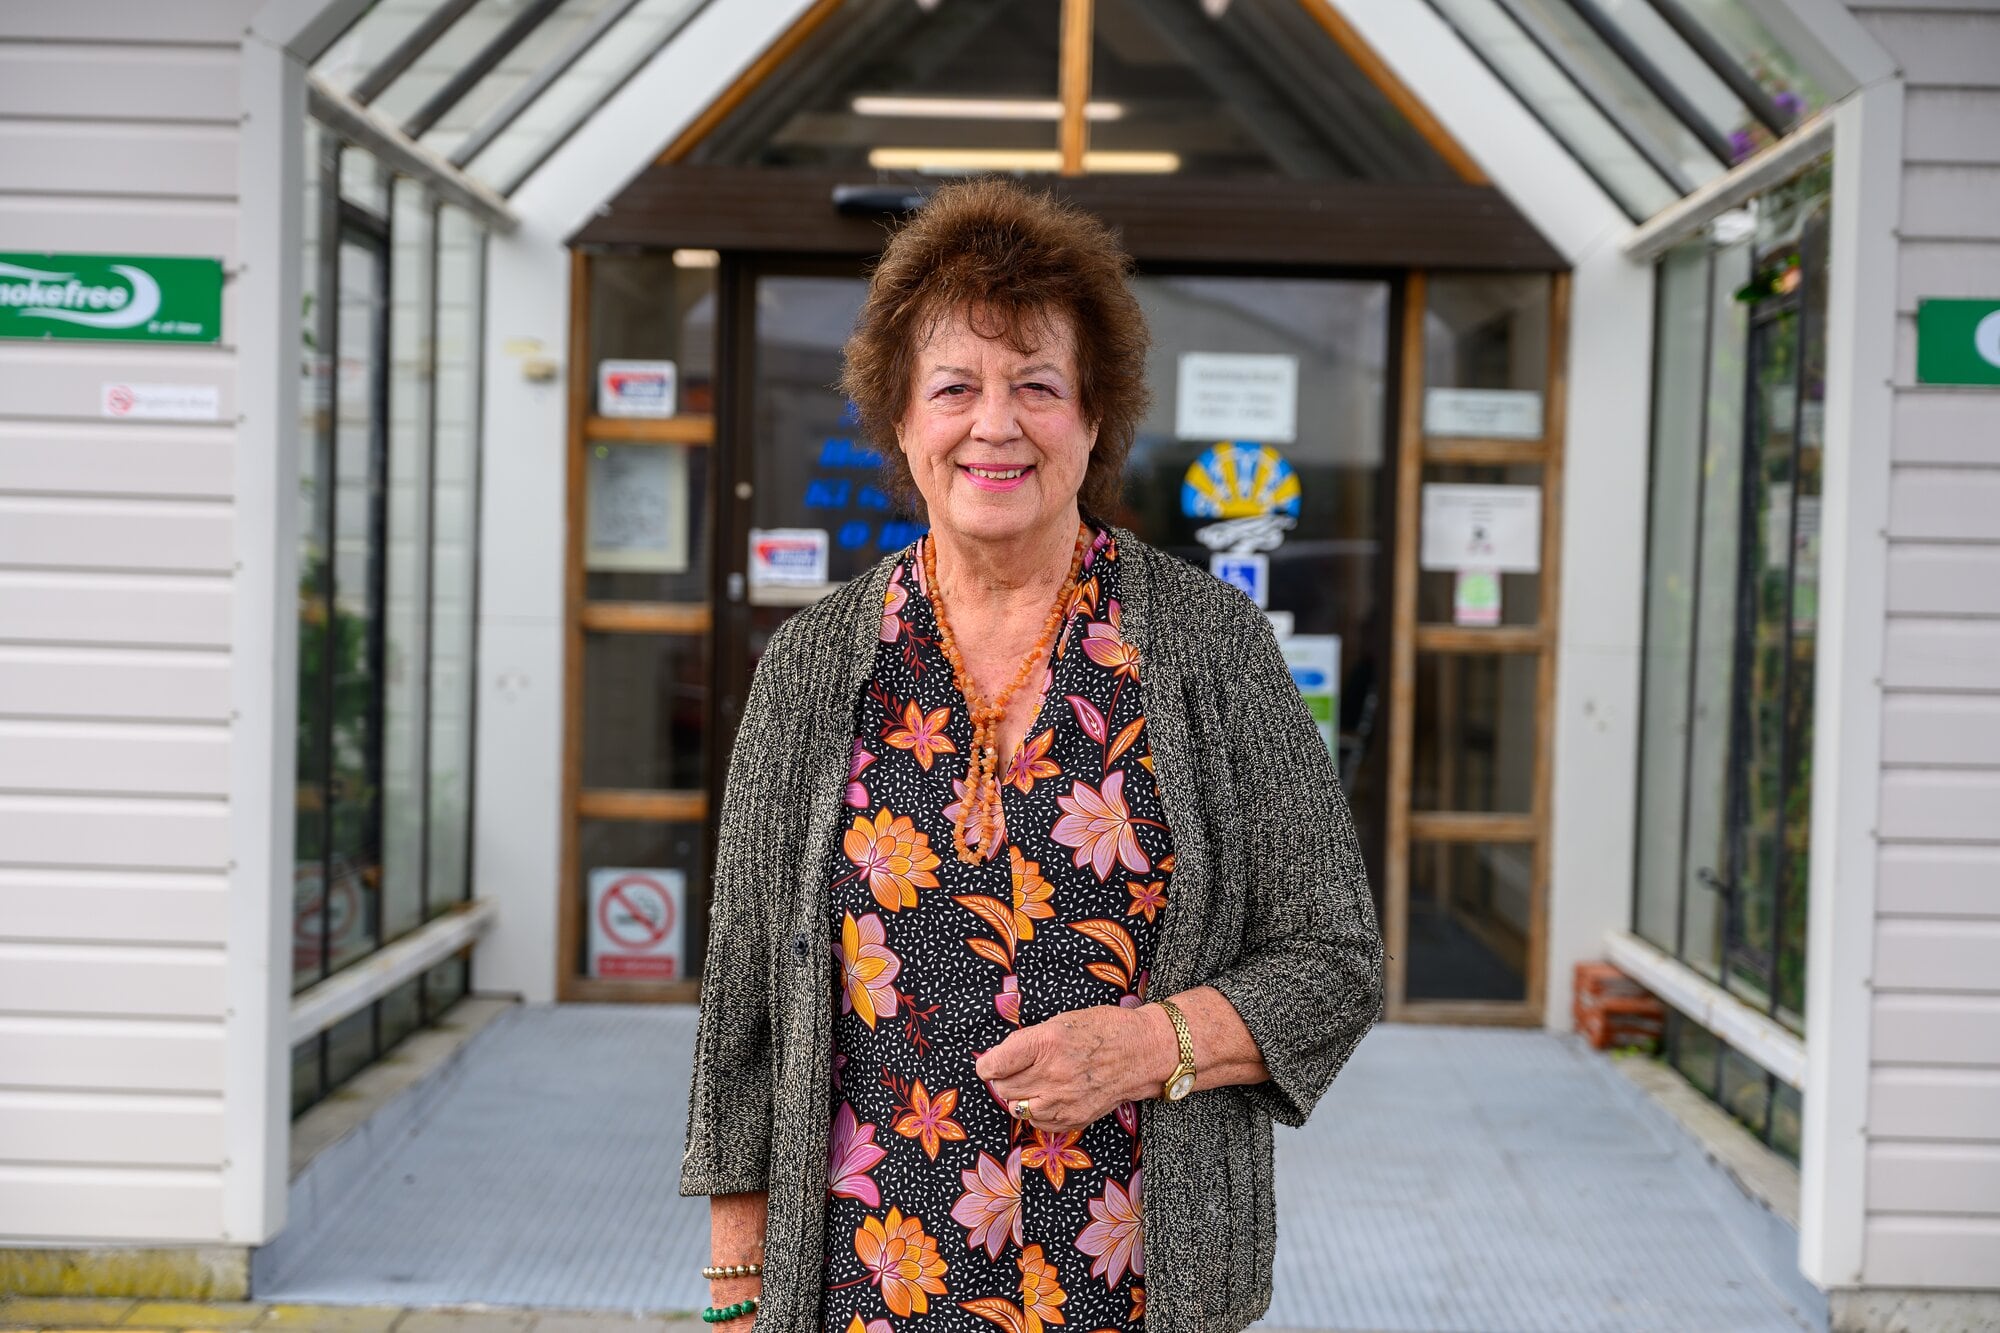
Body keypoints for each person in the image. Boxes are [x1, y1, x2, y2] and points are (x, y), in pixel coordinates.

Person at [681, 178, 1383, 1333]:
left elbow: (1333, 959)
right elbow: (749, 999)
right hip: (865, 1285)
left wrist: (1141, 1047)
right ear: (901, 421)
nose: (994, 424)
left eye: (1037, 387)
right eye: (954, 386)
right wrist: (734, 1284)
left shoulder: (1210, 646)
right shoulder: (810, 664)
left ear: (1094, 418)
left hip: (1135, 1285)